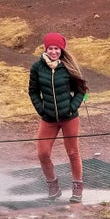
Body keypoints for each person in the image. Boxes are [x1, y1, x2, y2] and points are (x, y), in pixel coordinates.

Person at [28, 32, 89, 203]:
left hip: (69, 117)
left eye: (57, 48)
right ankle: (53, 185)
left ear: (61, 50)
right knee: (43, 153)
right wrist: (41, 110)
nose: (54, 52)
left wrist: (72, 107)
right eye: (50, 48)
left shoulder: (68, 67)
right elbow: (33, 91)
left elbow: (82, 90)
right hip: (49, 118)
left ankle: (77, 187)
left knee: (72, 152)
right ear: (45, 49)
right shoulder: (37, 68)